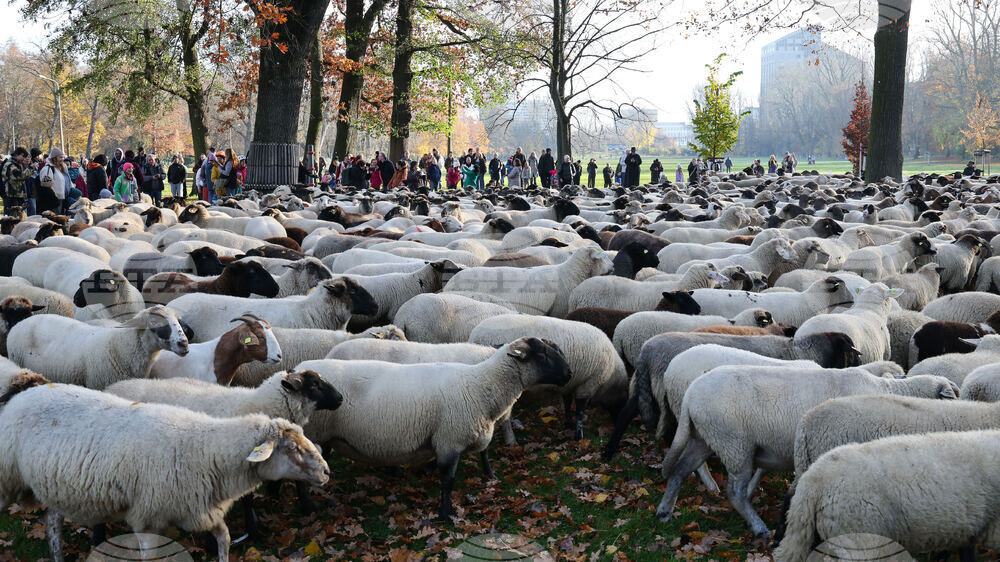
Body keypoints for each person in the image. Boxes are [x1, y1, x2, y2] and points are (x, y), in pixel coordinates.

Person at [37, 148, 69, 214]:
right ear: (54, 158)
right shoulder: (48, 169)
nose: (62, 159)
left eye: (63, 157)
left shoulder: (58, 168)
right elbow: (46, 186)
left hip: (60, 198)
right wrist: (54, 196)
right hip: (52, 200)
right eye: (60, 157)